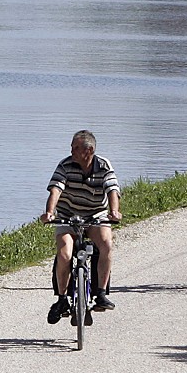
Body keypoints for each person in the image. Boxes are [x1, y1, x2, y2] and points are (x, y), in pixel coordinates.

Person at [42, 130, 122, 324]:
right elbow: (56, 190)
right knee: (65, 254)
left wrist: (114, 212)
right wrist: (50, 212)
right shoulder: (65, 165)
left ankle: (101, 294)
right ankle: (62, 299)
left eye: (76, 147)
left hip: (95, 215)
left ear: (89, 150)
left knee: (106, 245)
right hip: (68, 216)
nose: (71, 150)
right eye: (71, 146)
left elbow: (112, 189)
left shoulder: (103, 165)